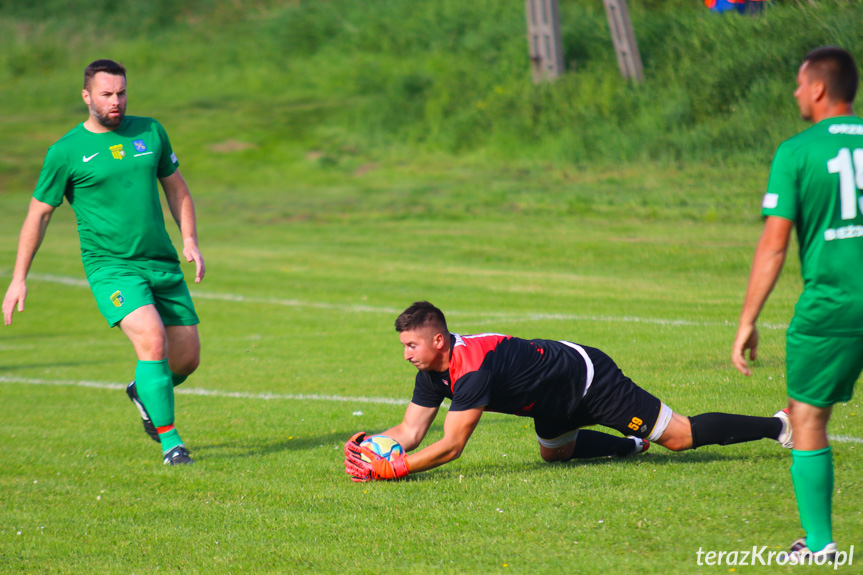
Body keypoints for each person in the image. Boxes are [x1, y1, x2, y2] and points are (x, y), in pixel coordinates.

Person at [2, 59, 204, 466]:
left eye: (122, 93)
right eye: (107, 94)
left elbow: (177, 188)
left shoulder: (151, 131)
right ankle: (172, 444)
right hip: (111, 266)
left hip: (162, 261)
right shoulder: (66, 152)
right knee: (152, 340)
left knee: (187, 359)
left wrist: (189, 239)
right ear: (87, 96)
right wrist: (18, 278)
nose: (116, 102)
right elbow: (38, 214)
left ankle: (142, 391)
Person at [345, 301, 791, 482]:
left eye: (411, 345)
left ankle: (780, 426)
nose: (406, 354)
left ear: (437, 340)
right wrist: (376, 447)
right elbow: (411, 428)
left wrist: (397, 470)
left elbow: (452, 445)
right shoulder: (431, 370)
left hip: (588, 382)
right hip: (549, 398)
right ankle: (631, 446)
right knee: (554, 455)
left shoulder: (471, 368)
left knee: (679, 437)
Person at [732, 46, 863, 562]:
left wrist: (748, 319)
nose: (794, 93)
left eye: (798, 83)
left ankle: (820, 544)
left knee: (806, 417)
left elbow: (774, 244)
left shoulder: (796, 151)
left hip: (831, 309)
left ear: (818, 88)